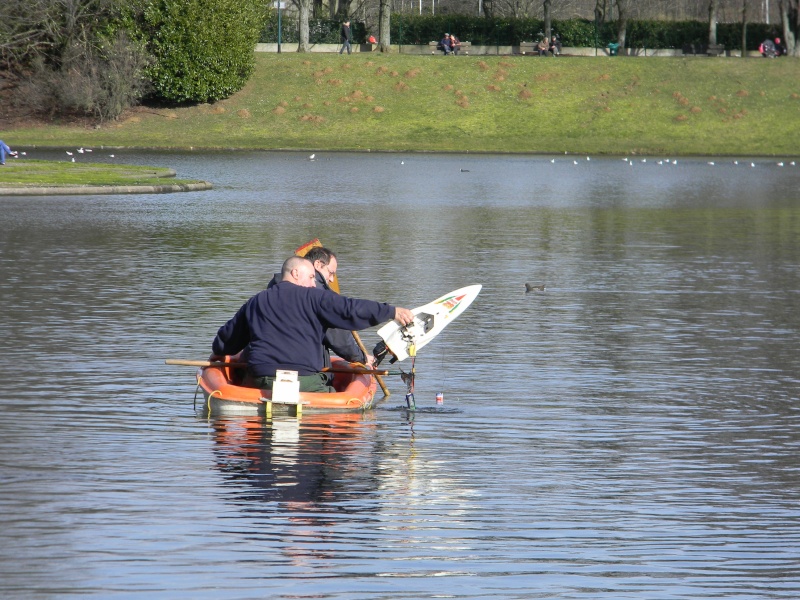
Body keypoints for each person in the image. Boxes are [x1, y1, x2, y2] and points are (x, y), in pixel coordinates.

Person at [212, 256, 414, 393]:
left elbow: (226, 342)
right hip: (306, 382)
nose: (312, 284)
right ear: (295, 273)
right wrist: (391, 311)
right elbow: (351, 309)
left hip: (262, 380)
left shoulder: (256, 301)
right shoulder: (315, 297)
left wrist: (219, 352)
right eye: (310, 277)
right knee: (329, 392)